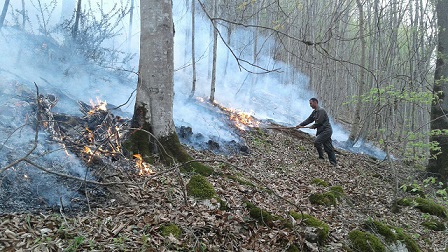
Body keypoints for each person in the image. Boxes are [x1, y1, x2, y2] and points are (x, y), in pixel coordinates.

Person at [296, 98, 337, 167]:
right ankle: (333, 163)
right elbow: (309, 120)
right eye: (310, 104)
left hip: (326, 131)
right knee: (328, 147)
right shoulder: (315, 112)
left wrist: (313, 126)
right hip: (322, 131)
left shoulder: (321, 110)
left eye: (311, 103)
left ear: (315, 102)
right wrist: (300, 125)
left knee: (317, 142)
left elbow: (319, 122)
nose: (310, 105)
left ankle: (321, 158)